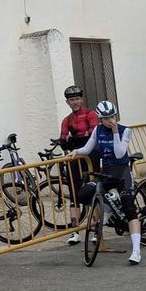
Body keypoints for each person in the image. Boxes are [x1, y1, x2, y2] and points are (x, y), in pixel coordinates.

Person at [68, 101, 143, 265]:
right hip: (107, 172)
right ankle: (109, 206)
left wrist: (115, 131)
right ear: (100, 119)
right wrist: (76, 152)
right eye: (106, 118)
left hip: (122, 171)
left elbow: (119, 153)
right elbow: (87, 149)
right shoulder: (98, 129)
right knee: (83, 194)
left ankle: (136, 250)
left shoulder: (125, 130)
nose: (110, 120)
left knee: (129, 207)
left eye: (112, 116)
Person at [57, 85, 99, 244]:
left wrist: (73, 139)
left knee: (93, 190)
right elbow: (63, 141)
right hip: (74, 159)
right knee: (74, 193)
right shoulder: (67, 120)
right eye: (71, 100)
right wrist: (78, 139)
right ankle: (75, 232)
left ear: (81, 99)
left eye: (77, 99)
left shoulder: (91, 114)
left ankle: (96, 229)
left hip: (91, 158)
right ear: (67, 102)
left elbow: (93, 137)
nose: (74, 102)